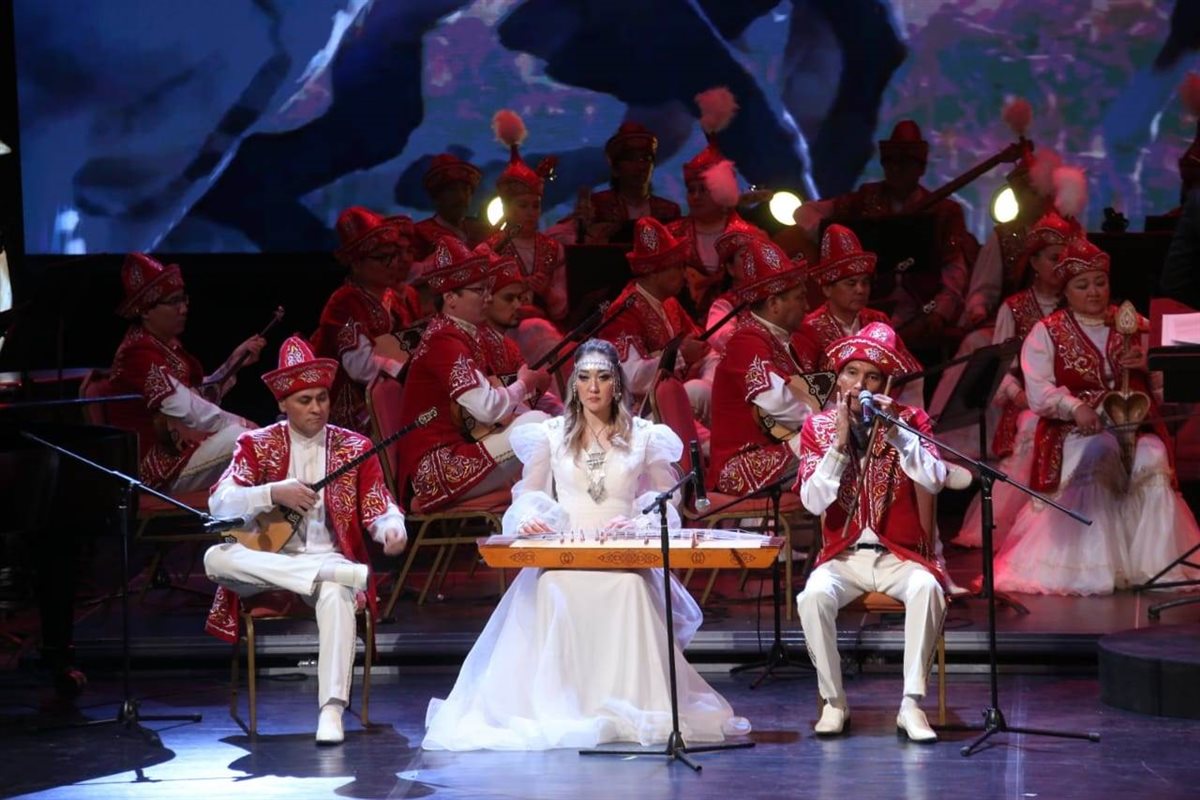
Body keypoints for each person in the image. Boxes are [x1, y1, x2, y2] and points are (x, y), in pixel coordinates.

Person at [422, 339, 750, 750]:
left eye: (603, 377)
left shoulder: (644, 436)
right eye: (584, 377)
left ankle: (632, 703)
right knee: (551, 585)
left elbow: (667, 498)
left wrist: (638, 520)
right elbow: (528, 493)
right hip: (567, 551)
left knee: (630, 588)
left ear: (617, 384)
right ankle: (565, 703)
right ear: (574, 384)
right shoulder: (551, 435)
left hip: (622, 551)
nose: (593, 387)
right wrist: (531, 518)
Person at [202, 336, 408, 744]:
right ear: (283, 404)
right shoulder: (257, 444)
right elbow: (219, 503)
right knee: (215, 557)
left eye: (322, 398)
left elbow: (378, 504)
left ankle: (331, 710)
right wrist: (271, 493)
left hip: (329, 559)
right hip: (267, 564)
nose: (317, 408)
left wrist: (392, 527)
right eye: (304, 401)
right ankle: (325, 573)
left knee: (337, 593)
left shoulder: (354, 446)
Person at [993, 238, 1200, 595]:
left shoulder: (1133, 324)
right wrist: (1075, 407)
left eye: (1100, 283)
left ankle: (1152, 566)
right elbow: (1039, 392)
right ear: (1066, 290)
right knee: (1099, 453)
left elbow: (1171, 393)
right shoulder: (1048, 331)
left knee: (1153, 456)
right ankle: (1093, 567)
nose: (1093, 292)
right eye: (1082, 285)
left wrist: (1149, 365)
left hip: (1133, 428)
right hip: (1075, 432)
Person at [795, 322, 948, 742]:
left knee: (927, 589)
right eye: (851, 373)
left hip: (900, 555)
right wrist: (838, 447)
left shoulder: (912, 420)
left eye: (872, 377)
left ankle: (911, 705)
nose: (859, 385)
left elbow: (934, 479)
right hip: (843, 557)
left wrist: (899, 435)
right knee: (812, 597)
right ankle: (834, 702)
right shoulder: (818, 428)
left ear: (888, 384)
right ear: (838, 378)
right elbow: (812, 502)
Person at [394, 237, 551, 511]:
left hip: (460, 451)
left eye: (488, 289)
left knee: (545, 426)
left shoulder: (460, 335)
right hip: (435, 470)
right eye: (479, 290)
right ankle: (534, 513)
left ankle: (538, 511)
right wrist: (524, 385)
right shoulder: (443, 341)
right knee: (538, 428)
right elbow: (487, 409)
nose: (488, 297)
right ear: (450, 298)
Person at [952, 211, 1072, 549]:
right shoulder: (1015, 307)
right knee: (1033, 426)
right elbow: (1001, 367)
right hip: (1027, 402)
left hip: (1069, 399)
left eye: (1066, 259)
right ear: (1034, 262)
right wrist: (1019, 395)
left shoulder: (1073, 303)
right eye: (1053, 258)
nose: (1061, 266)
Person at [798, 121, 975, 349]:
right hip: (864, 304)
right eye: (891, 162)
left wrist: (939, 313)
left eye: (905, 163)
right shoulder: (864, 199)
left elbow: (954, 272)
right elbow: (805, 212)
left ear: (920, 168)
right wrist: (834, 243)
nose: (897, 170)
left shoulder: (944, 212)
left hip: (919, 310)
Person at [108, 252, 263, 492]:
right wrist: (240, 422)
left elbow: (196, 397)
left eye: (183, 299)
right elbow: (186, 408)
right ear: (146, 311)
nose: (183, 309)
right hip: (157, 469)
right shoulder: (136, 352)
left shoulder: (163, 345)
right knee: (245, 438)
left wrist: (233, 363)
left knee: (248, 436)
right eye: (174, 302)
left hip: (183, 451)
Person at [709, 237, 822, 494]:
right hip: (742, 461)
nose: (807, 306)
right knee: (836, 453)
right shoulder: (746, 340)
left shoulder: (779, 339)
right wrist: (826, 425)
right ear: (773, 304)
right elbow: (775, 401)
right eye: (799, 298)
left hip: (777, 446)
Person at [601, 217, 718, 428]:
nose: (685, 275)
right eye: (677, 267)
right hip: (635, 416)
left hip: (673, 399)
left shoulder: (670, 303)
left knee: (705, 386)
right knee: (695, 392)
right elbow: (631, 377)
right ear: (654, 272)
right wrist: (680, 356)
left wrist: (709, 382)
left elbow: (704, 350)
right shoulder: (623, 311)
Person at [311, 207, 414, 432]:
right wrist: (410, 366)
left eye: (394, 255)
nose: (393, 264)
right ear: (356, 264)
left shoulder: (393, 298)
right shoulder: (344, 303)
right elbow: (361, 368)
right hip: (350, 417)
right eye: (382, 258)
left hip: (391, 401)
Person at [669, 88, 768, 320]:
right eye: (691, 190)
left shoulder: (752, 238)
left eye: (703, 190)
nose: (695, 197)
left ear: (722, 193)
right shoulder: (672, 236)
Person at [804, 224, 924, 409]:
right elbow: (807, 388)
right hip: (831, 414)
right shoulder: (810, 328)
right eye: (851, 284)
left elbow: (908, 371)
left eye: (865, 283)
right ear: (827, 289)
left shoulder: (878, 320)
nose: (860, 290)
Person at [552, 121, 682, 244]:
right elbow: (556, 235)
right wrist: (586, 233)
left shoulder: (669, 210)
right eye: (631, 159)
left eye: (646, 159)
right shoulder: (596, 206)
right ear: (615, 169)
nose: (640, 166)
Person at [477, 246, 565, 416]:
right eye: (509, 298)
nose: (518, 305)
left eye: (519, 298)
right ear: (486, 299)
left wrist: (565, 417)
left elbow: (533, 397)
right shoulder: (472, 343)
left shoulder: (508, 347)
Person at [410, 153, 492, 261]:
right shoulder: (420, 235)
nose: (461, 197)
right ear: (437, 197)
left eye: (466, 190)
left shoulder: (481, 230)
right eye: (452, 190)